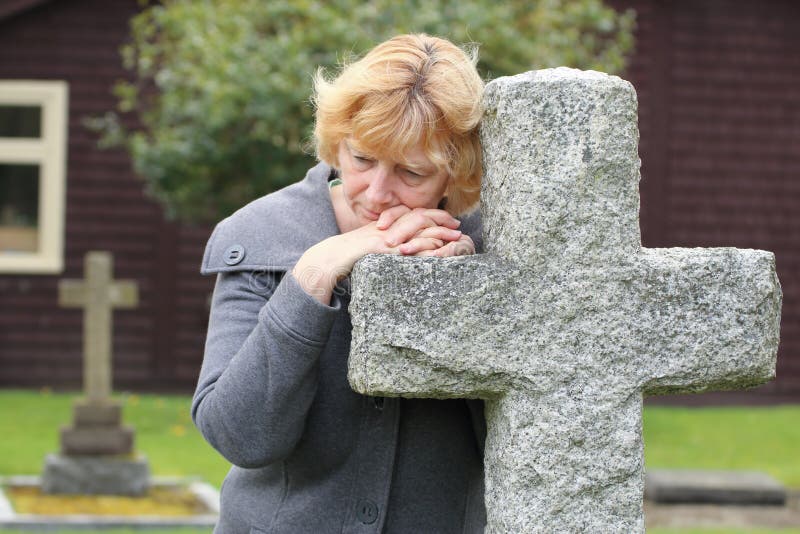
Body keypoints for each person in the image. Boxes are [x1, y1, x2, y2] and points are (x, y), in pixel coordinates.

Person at [192, 33, 486, 533]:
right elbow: (240, 438)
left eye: (411, 173)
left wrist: (461, 296)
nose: (374, 194)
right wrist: (313, 275)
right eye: (361, 158)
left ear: (455, 175)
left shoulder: (491, 245)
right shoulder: (259, 234)